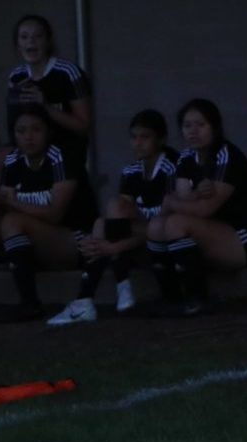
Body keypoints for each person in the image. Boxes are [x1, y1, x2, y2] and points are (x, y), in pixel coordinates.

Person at [0, 103, 97, 322]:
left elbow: (55, 214)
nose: (28, 137)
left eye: (36, 130)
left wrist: (12, 202)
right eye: (21, 131)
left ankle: (30, 304)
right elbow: (5, 202)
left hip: (75, 241)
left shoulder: (61, 158)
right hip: (31, 243)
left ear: (49, 131)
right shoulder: (14, 160)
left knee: (12, 222)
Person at [47, 109, 179, 325]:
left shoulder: (171, 167)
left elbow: (163, 227)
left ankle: (113, 285)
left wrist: (113, 248)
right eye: (134, 137)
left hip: (164, 245)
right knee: (103, 220)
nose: (138, 143)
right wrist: (108, 244)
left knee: (107, 230)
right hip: (137, 241)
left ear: (161, 139)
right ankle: (95, 296)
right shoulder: (132, 171)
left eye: (145, 137)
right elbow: (118, 219)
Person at [146, 98, 247, 316]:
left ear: (214, 127)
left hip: (246, 237)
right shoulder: (186, 157)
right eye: (187, 126)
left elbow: (204, 209)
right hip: (211, 231)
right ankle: (171, 297)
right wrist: (190, 196)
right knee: (156, 226)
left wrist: (175, 200)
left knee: (177, 223)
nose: (193, 131)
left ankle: (197, 298)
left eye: (200, 125)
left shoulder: (226, 155)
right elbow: (177, 201)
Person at [0, 14, 92, 188]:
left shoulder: (68, 72)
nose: (31, 42)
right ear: (18, 44)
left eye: (38, 36)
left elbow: (84, 126)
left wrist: (45, 106)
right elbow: (14, 127)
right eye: (24, 37)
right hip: (30, 147)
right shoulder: (16, 77)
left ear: (48, 41)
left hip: (63, 147)